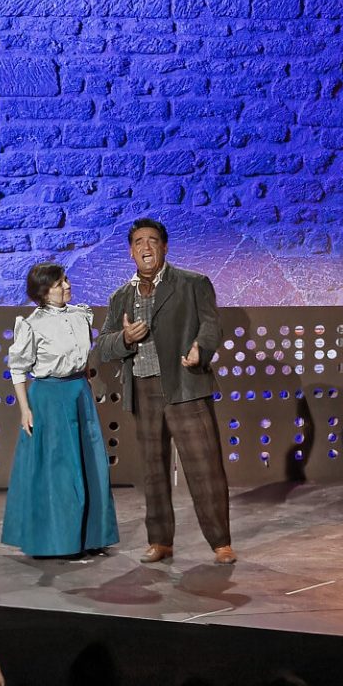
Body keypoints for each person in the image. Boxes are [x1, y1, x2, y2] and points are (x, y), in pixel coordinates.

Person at [93, 219, 234, 566]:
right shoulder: (120, 297)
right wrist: (125, 338)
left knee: (205, 467)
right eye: (139, 242)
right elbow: (104, 346)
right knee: (153, 471)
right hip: (143, 389)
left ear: (165, 247)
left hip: (185, 386)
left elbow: (211, 325)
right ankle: (160, 541)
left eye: (153, 240)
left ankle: (221, 543)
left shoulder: (193, 283)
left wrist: (201, 348)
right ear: (131, 251)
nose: (146, 247)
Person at [3, 263, 118, 560]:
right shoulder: (32, 324)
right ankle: (58, 541)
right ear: (43, 292)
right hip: (49, 398)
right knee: (59, 470)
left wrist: (89, 382)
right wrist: (25, 410)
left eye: (66, 280)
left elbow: (83, 358)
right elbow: (18, 369)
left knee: (91, 465)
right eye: (59, 284)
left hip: (79, 393)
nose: (67, 286)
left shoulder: (81, 315)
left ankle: (92, 537)